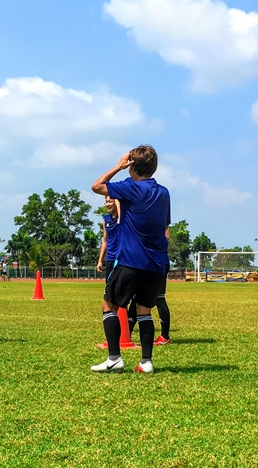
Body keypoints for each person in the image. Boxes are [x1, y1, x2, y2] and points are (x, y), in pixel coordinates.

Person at [90, 145, 171, 373]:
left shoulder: (130, 187)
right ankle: (146, 362)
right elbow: (164, 226)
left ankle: (114, 358)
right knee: (144, 311)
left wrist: (118, 166)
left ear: (131, 166)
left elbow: (97, 186)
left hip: (131, 260)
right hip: (156, 263)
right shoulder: (164, 193)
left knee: (108, 306)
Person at [128, 226, 172, 345]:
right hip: (142, 262)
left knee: (159, 298)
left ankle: (165, 336)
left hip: (158, 262)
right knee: (135, 298)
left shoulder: (160, 218)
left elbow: (166, 236)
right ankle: (126, 335)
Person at [96, 196, 121, 281]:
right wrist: (100, 261)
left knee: (120, 286)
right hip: (110, 257)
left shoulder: (123, 217)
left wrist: (119, 206)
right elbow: (105, 241)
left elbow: (122, 223)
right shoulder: (106, 219)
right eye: (106, 202)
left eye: (110, 201)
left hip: (121, 258)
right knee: (109, 285)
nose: (107, 204)